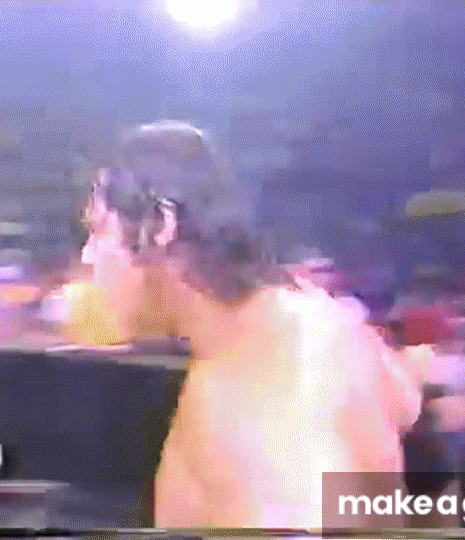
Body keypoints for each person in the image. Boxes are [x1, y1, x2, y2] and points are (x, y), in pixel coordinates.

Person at [66, 121, 423, 529]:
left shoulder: (248, 408)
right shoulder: (320, 315)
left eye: (98, 230)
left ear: (160, 225)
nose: (88, 255)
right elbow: (406, 401)